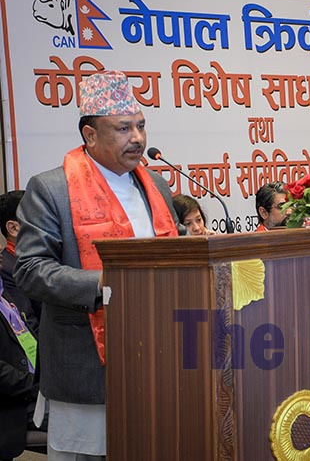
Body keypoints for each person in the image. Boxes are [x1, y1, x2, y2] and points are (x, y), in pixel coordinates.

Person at [14, 70, 180, 460]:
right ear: (90, 135)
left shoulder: (156, 185)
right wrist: (103, 283)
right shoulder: (52, 189)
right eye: (123, 128)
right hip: (88, 364)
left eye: (140, 126)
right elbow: (30, 269)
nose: (137, 138)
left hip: (161, 356)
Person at [0, 252, 42, 461]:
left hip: (35, 384)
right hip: (14, 403)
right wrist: (39, 385)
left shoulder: (5, 295)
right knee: (84, 420)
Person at [0, 190, 40, 333]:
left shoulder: (40, 261)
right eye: (37, 219)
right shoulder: (6, 268)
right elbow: (27, 324)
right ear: (13, 228)